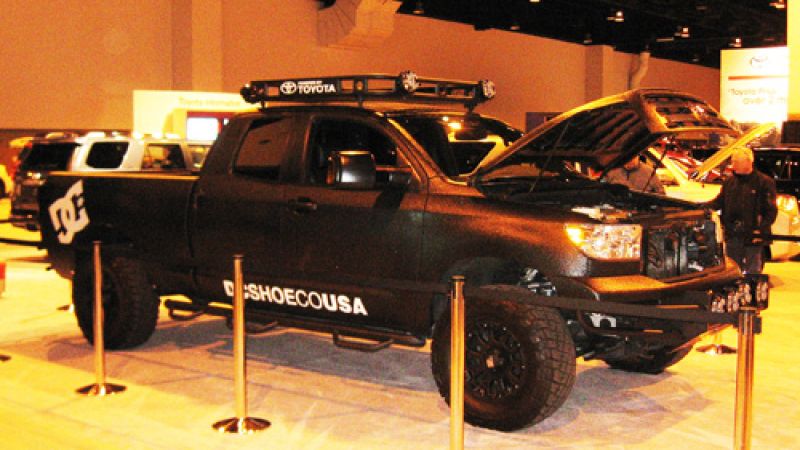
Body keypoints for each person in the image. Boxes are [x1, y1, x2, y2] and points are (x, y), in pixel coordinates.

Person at [707, 147, 777, 274]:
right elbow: (719, 202)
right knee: (732, 269)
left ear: (749, 162)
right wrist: (701, 207)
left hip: (754, 235)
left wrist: (760, 230)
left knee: (753, 270)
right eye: (733, 161)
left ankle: (751, 290)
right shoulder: (729, 182)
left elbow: (771, 211)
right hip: (733, 234)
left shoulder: (764, 182)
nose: (733, 165)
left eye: (737, 162)